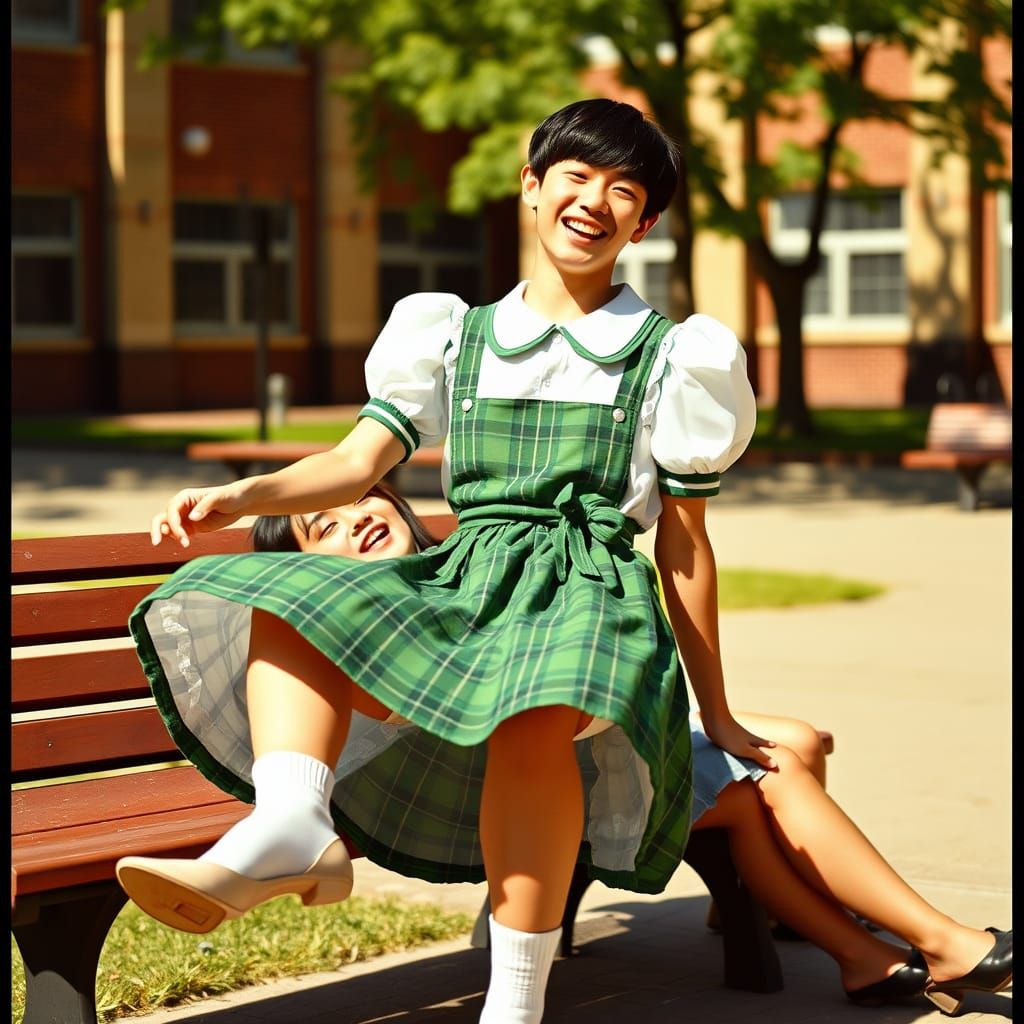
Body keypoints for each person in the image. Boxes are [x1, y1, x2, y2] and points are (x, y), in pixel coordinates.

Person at [113, 100, 1008, 1021]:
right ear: (532, 189)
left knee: (538, 705)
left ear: (645, 223)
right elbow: (354, 464)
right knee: (279, 587)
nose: (595, 201)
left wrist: (718, 709)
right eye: (575, 177)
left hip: (589, 594)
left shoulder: (674, 360)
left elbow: (686, 546)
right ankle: (294, 823)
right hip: (476, 587)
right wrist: (243, 497)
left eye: (624, 191)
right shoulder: (450, 335)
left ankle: (516, 1004)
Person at [248, 485, 1010, 1013]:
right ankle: (924, 940)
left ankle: (847, 945)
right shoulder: (382, 621)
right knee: (762, 785)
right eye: (326, 530)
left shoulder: (457, 571)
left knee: (793, 749)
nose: (355, 521)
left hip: (594, 737)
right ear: (315, 571)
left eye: (360, 502)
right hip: (540, 777)